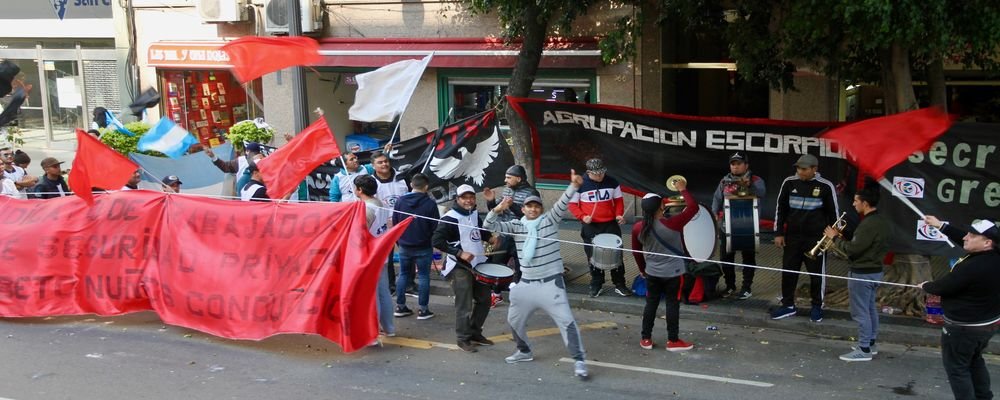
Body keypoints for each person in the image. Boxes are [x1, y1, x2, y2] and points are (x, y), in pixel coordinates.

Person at [484, 170, 590, 380]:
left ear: (541, 209)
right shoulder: (516, 225)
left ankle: (579, 361)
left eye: (536, 206)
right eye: (529, 206)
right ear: (522, 209)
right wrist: (497, 207)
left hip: (552, 284)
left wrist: (574, 186)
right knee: (514, 320)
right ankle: (524, 351)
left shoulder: (549, 221)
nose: (533, 209)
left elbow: (561, 202)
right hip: (526, 283)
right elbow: (488, 226)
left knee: (567, 323)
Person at [919, 216, 1000, 399]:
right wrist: (941, 226)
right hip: (986, 325)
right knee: (973, 360)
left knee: (957, 369)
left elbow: (943, 287)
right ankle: (984, 396)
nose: (965, 237)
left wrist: (926, 286)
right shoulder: (993, 254)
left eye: (972, 235)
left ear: (987, 243)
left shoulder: (974, 267)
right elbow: (962, 237)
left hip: (964, 329)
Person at [823, 187, 890, 362]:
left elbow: (853, 249)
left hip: (862, 273)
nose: (853, 204)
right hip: (874, 271)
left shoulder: (868, 223)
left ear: (865, 203)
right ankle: (870, 343)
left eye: (856, 201)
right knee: (869, 309)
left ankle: (864, 348)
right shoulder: (879, 221)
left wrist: (834, 238)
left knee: (860, 312)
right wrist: (843, 233)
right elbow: (862, 242)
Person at [771, 154, 839, 322]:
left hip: (815, 238)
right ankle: (787, 305)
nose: (800, 172)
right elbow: (781, 209)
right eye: (798, 168)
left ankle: (817, 306)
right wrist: (778, 233)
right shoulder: (789, 183)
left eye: (804, 169)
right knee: (788, 271)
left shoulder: (825, 186)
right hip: (792, 237)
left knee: (816, 275)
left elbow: (834, 215)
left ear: (814, 169)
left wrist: (830, 239)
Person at [632, 181, 699, 351]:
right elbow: (693, 208)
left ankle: (645, 338)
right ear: (661, 206)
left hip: (652, 272)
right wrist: (683, 189)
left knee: (651, 304)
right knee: (672, 303)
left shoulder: (638, 228)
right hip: (673, 273)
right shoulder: (673, 223)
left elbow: (636, 252)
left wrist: (642, 270)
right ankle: (673, 340)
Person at [432, 184, 495, 352]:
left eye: (471, 197)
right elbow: (437, 241)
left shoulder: (473, 213)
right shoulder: (449, 218)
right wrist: (459, 253)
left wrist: (490, 238)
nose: (469, 200)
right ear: (457, 199)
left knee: (485, 300)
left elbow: (479, 231)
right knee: (464, 304)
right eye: (464, 197)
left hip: (478, 263)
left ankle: (475, 332)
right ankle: (463, 338)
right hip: (459, 266)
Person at [568, 158, 632, 298]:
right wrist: (582, 216)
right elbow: (572, 205)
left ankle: (619, 283)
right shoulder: (580, 184)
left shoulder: (612, 182)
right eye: (596, 174)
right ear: (588, 172)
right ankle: (596, 283)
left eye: (602, 173)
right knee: (592, 255)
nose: (600, 176)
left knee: (616, 253)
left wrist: (619, 215)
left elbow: (618, 201)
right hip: (591, 225)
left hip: (610, 223)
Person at [710, 151, 766, 299]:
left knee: (748, 258)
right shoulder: (724, 181)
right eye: (733, 164)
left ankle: (746, 288)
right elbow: (717, 198)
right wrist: (714, 211)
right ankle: (730, 286)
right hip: (726, 226)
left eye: (738, 164)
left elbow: (762, 192)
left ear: (746, 165)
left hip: (748, 226)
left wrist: (750, 186)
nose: (735, 167)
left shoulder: (756, 180)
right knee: (726, 257)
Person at [483, 164, 540, 307]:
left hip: (523, 236)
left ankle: (519, 296)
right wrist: (491, 202)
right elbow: (499, 211)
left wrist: (512, 205)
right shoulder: (507, 190)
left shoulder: (532, 193)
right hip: (505, 233)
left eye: (509, 177)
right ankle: (496, 294)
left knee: (521, 268)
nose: (505, 180)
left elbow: (532, 216)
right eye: (505, 177)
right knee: (497, 263)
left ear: (518, 178)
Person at [392, 173, 439, 320]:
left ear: (411, 185)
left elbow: (395, 222)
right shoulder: (430, 204)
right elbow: (435, 226)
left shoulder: (400, 201)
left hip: (405, 245)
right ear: (426, 187)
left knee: (403, 275)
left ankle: (400, 306)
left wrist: (399, 241)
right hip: (424, 245)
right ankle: (423, 310)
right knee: (424, 276)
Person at [355, 174, 395, 344]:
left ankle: (372, 334)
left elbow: (360, 232)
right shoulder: (381, 204)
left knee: (372, 295)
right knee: (383, 292)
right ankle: (389, 328)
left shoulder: (366, 208)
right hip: (381, 253)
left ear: (360, 190)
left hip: (370, 255)